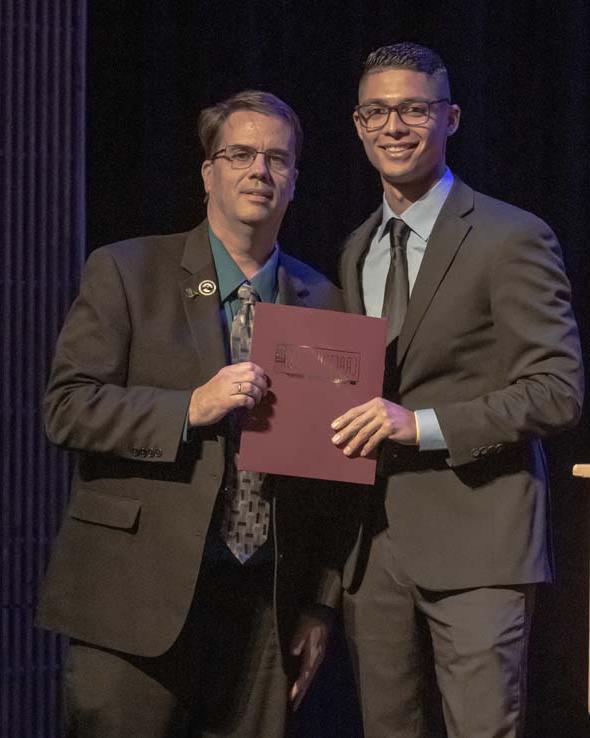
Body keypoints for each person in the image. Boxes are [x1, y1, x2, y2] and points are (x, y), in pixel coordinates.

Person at [37, 90, 346, 738]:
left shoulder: (328, 303)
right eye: (240, 154)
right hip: (135, 602)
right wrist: (189, 408)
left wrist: (319, 603)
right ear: (208, 171)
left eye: (277, 158)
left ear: (294, 180)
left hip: (264, 612)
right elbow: (66, 409)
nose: (259, 170)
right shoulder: (126, 270)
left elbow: (330, 482)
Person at [332, 42, 584, 738]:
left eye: (414, 109)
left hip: (481, 542)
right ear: (357, 124)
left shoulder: (512, 236)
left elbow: (559, 390)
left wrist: (422, 425)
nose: (395, 126)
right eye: (378, 111)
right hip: (374, 551)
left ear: (451, 117)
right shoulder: (357, 247)